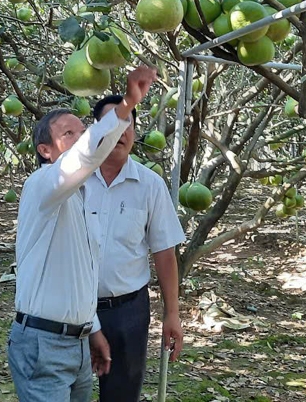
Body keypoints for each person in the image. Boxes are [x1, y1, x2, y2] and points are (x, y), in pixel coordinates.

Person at [9, 65, 156, 402]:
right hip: (44, 346)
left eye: (82, 131)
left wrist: (93, 329)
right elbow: (87, 154)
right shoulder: (43, 185)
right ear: (46, 151)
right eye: (68, 134)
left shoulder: (80, 198)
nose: (80, 139)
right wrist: (127, 105)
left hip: (75, 345)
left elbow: (79, 275)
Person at [84, 95, 185, 402]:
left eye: (127, 122)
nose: (122, 131)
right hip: (74, 308)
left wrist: (172, 313)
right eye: (113, 122)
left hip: (127, 310)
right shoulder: (75, 181)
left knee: (121, 395)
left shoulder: (150, 185)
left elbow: (164, 253)